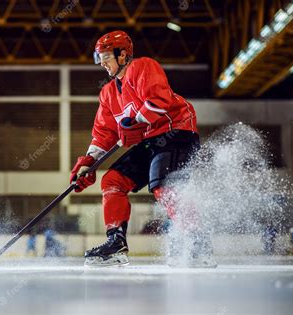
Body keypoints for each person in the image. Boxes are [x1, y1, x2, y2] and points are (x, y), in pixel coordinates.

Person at [70, 30, 216, 267]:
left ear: (123, 54)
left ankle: (198, 243)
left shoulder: (143, 67)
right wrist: (89, 161)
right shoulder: (107, 94)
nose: (103, 63)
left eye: (106, 56)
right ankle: (115, 245)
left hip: (176, 132)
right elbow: (104, 133)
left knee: (162, 185)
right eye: (99, 58)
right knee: (112, 181)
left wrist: (137, 120)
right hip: (151, 141)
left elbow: (159, 101)